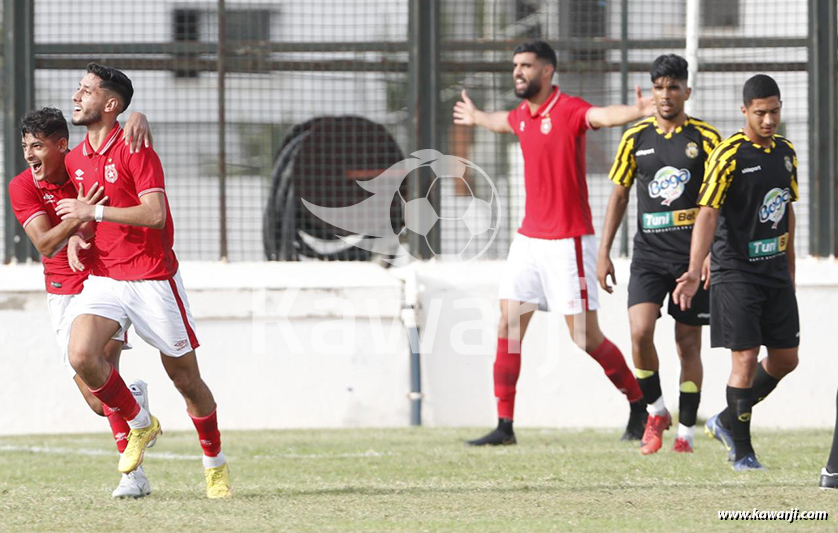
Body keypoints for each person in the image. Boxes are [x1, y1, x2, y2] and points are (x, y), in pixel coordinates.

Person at [453, 39, 655, 445]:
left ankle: (640, 404)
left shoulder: (569, 110)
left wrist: (635, 111)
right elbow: (501, 122)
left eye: (526, 66)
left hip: (568, 242)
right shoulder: (521, 116)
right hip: (528, 240)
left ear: (547, 72)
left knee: (584, 337)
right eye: (515, 66)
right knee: (508, 325)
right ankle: (505, 426)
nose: (518, 72)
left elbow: (601, 115)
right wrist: (475, 117)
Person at [54, 63, 231, 498]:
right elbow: (87, 216)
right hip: (105, 278)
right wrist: (80, 237)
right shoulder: (75, 160)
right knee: (81, 356)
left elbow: (154, 215)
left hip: (152, 278)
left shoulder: (137, 148)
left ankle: (215, 464)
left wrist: (90, 214)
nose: (77, 96)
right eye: (78, 88)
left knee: (186, 381)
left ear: (111, 105)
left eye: (86, 91)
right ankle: (140, 421)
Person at [9, 106, 156, 498]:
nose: (29, 155)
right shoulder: (22, 186)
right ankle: (134, 400)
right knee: (97, 400)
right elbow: (44, 242)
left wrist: (137, 115)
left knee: (99, 363)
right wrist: (75, 225)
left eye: (37, 146)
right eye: (26, 146)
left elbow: (117, 190)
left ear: (61, 145)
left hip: (104, 283)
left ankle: (134, 477)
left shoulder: (84, 168)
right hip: (61, 292)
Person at [672, 74, 799, 471]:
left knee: (786, 359)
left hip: (775, 270)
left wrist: (790, 270)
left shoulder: (786, 152)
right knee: (744, 357)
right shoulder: (728, 156)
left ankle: (727, 420)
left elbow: (787, 209)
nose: (768, 120)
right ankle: (742, 450)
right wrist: (695, 269)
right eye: (760, 112)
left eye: (774, 111)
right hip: (736, 270)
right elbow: (707, 213)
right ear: (743, 111)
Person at [597, 55, 721, 455]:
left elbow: (722, 202)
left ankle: (685, 433)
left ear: (687, 90)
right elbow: (618, 194)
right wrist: (603, 253)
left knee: (687, 344)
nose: (665, 95)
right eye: (659, 87)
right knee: (639, 331)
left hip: (691, 260)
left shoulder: (706, 138)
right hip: (648, 256)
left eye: (673, 87)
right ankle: (655, 411)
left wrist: (708, 257)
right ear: (651, 91)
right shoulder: (635, 138)